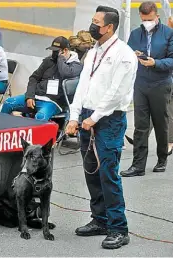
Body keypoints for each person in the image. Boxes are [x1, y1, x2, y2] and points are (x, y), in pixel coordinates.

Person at [65, 5, 137, 249]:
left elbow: (116, 94)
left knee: (108, 174)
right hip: (87, 116)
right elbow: (82, 86)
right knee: (92, 172)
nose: (92, 26)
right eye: (92, 20)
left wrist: (94, 117)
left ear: (109, 27)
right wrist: (74, 116)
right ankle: (100, 220)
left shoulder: (124, 55)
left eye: (97, 22)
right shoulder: (93, 52)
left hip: (109, 120)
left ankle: (119, 228)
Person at [121, 1, 173, 177]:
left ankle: (162, 158)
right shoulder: (135, 34)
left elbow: (172, 60)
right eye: (144, 19)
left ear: (157, 16)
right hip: (141, 83)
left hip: (161, 83)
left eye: (149, 19)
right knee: (140, 125)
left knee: (161, 123)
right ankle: (138, 165)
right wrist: (133, 56)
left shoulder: (168, 33)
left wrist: (155, 63)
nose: (146, 22)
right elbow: (126, 57)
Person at [0, 36, 83, 120]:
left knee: (41, 116)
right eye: (52, 51)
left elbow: (66, 73)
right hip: (36, 96)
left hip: (53, 102)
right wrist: (29, 96)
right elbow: (34, 78)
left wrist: (61, 58)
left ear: (65, 50)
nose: (53, 53)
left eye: (56, 51)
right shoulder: (48, 61)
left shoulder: (76, 65)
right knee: (8, 103)